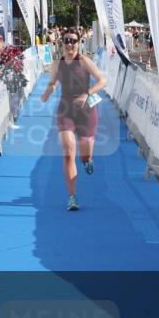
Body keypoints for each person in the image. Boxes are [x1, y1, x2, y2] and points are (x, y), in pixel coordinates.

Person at [40, 28, 107, 212]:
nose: (70, 44)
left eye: (73, 41)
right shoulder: (58, 63)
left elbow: (102, 81)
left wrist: (87, 93)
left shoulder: (84, 61)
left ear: (79, 43)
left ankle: (87, 160)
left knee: (85, 153)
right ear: (62, 43)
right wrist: (47, 92)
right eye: (66, 40)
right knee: (68, 153)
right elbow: (53, 82)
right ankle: (72, 196)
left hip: (86, 112)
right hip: (66, 111)